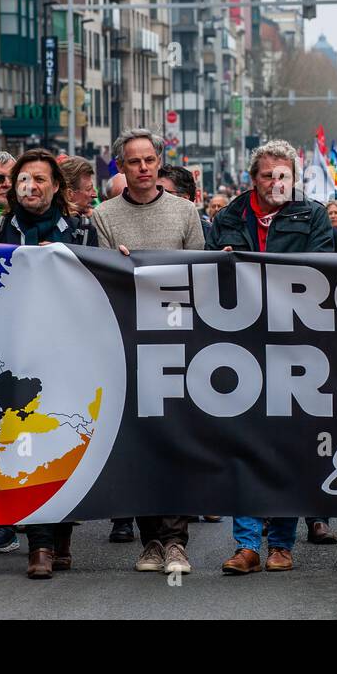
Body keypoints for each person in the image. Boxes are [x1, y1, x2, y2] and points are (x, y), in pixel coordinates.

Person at [205, 140, 336, 574]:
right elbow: (204, 273)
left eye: (285, 176)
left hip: (296, 347)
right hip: (240, 347)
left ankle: (281, 542)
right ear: (252, 179)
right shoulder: (227, 217)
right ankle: (245, 544)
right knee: (243, 445)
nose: (277, 183)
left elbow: (323, 270)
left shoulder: (313, 215)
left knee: (287, 447)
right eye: (268, 176)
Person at [0, 148, 98, 578]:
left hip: (68, 354)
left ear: (56, 187)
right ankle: (40, 546)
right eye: (23, 178)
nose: (31, 186)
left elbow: (99, 284)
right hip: (14, 358)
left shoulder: (83, 231)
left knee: (62, 444)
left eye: (40, 179)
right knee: (24, 446)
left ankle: (61, 536)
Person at [91, 129, 204, 576]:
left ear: (160, 162)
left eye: (149, 160)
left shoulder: (185, 212)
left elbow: (201, 274)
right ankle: (150, 540)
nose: (142, 168)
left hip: (176, 342)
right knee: (139, 443)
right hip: (127, 343)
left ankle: (176, 541)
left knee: (174, 442)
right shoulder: (104, 215)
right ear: (122, 167)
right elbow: (98, 280)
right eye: (133, 161)